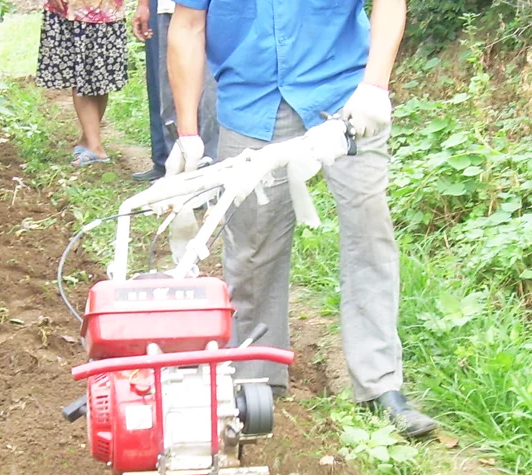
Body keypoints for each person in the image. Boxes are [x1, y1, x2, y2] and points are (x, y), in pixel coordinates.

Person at [166, 0, 436, 438]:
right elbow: (188, 25)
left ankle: (380, 386)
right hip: (251, 101)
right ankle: (256, 377)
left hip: (345, 97)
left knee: (369, 234)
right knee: (252, 247)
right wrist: (188, 133)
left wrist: (375, 86)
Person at [132, 0, 218, 182]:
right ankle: (174, 173)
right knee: (169, 95)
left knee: (210, 96)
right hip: (168, 9)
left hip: (215, 10)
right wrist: (144, 4)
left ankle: (210, 173)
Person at [37, 0, 128, 167]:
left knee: (94, 78)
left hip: (103, 8)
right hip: (81, 9)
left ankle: (95, 147)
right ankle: (89, 141)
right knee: (89, 76)